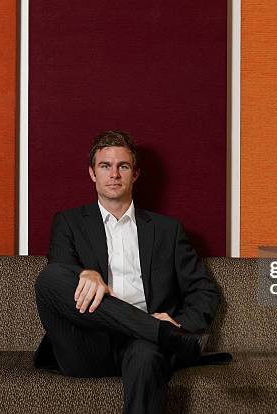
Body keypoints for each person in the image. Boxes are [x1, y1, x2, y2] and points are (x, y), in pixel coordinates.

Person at [33, 130, 220, 414]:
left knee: (147, 355)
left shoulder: (167, 231)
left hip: (142, 344)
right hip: (87, 343)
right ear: (92, 173)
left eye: (123, 166)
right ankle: (162, 334)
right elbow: (60, 271)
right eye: (105, 166)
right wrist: (87, 274)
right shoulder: (69, 222)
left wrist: (180, 322)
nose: (114, 174)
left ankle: (158, 333)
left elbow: (204, 291)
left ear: (135, 174)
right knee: (49, 278)